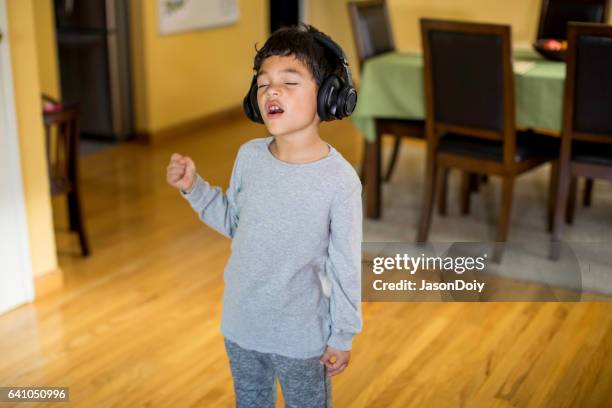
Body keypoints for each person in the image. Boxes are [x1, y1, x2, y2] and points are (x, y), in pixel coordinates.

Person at [166, 23, 362, 407]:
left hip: (301, 338)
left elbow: (345, 267)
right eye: (263, 83)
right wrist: (195, 187)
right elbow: (235, 224)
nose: (272, 91)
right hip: (241, 327)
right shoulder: (249, 157)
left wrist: (343, 335)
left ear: (328, 97)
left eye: (290, 82)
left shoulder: (339, 181)